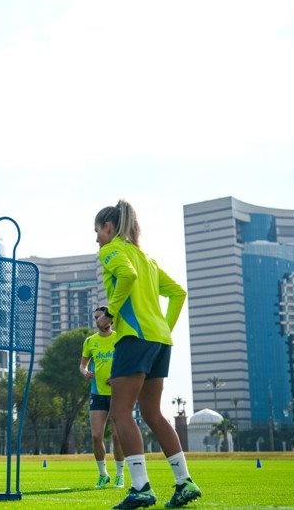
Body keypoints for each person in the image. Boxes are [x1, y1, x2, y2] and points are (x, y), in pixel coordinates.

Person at [94, 199, 201, 509]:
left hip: (134, 339)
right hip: (159, 341)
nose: (96, 237)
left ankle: (140, 487)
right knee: (153, 414)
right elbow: (178, 292)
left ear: (109, 228)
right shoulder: (147, 258)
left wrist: (110, 313)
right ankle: (184, 482)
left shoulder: (112, 250)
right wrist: (162, 329)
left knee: (120, 413)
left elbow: (126, 277)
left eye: (97, 230)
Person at [80, 306, 125, 489]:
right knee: (96, 436)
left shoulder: (120, 338)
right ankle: (103, 474)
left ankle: (120, 475)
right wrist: (85, 372)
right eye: (96, 318)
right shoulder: (90, 341)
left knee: (116, 436)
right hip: (97, 394)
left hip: (118, 393)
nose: (100, 321)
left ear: (110, 320)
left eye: (102, 317)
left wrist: (118, 375)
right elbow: (83, 365)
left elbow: (129, 362)